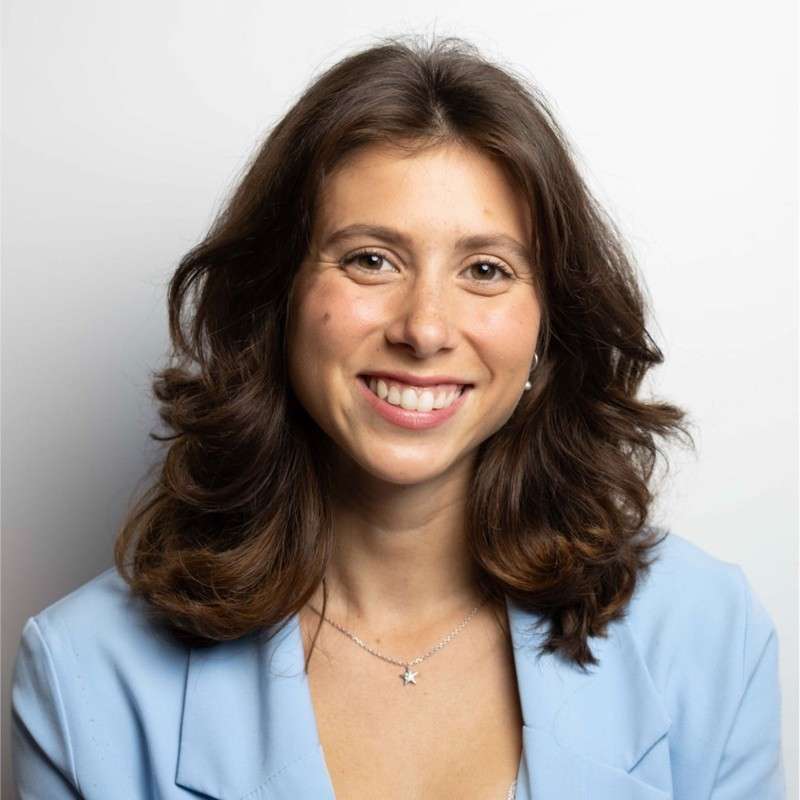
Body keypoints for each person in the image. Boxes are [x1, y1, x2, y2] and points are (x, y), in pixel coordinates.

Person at [11, 35, 785, 800]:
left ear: (547, 329)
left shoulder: (709, 635)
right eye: (371, 259)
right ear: (276, 297)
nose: (425, 328)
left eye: (486, 270)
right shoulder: (83, 677)